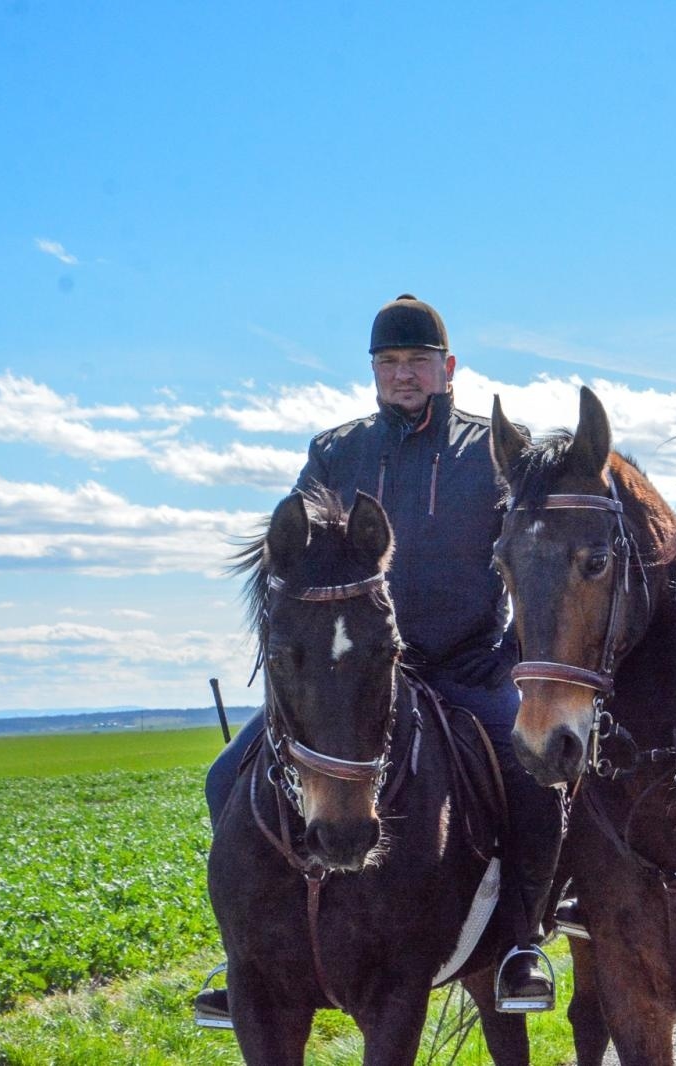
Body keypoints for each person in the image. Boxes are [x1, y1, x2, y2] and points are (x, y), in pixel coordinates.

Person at [196, 295, 564, 1022]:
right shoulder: (337, 451)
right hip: (352, 681)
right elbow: (290, 561)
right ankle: (244, 956)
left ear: (447, 367)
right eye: (389, 362)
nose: (404, 375)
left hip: (464, 670)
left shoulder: (492, 450)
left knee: (536, 787)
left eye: (418, 362)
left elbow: (537, 556)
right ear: (373, 371)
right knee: (221, 778)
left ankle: (520, 946)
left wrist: (512, 655)